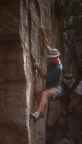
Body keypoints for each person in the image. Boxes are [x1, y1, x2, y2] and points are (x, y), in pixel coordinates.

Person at [30, 25, 63, 121]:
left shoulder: (58, 69)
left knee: (44, 93)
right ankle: (40, 112)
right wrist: (43, 32)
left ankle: (37, 113)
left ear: (58, 56)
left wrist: (38, 68)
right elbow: (47, 44)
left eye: (52, 58)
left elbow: (44, 76)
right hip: (49, 85)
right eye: (50, 58)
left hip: (56, 88)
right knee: (37, 90)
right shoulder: (53, 55)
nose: (51, 59)